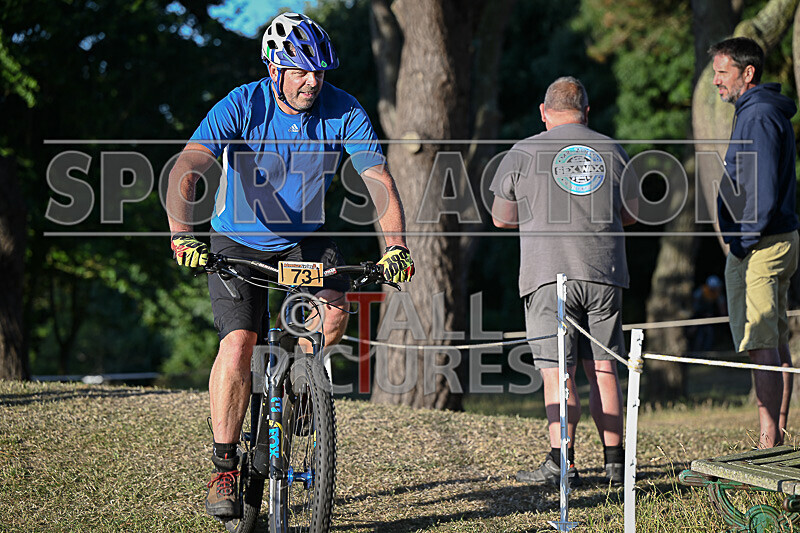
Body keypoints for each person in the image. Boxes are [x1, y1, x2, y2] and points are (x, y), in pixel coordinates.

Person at [165, 13, 414, 517]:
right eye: (300, 71)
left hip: (304, 237)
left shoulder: (344, 109)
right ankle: (224, 466)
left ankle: (298, 384)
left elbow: (378, 180)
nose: (312, 81)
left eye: (318, 71)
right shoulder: (242, 104)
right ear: (273, 69)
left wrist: (396, 247)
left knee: (335, 312)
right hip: (237, 239)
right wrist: (181, 233)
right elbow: (188, 167)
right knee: (239, 344)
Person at [490, 76, 637, 487]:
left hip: (546, 275)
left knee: (558, 372)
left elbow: (501, 218)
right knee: (604, 368)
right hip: (604, 273)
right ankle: (615, 465)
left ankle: (562, 463)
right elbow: (631, 215)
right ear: (586, 112)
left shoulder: (522, 152)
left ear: (544, 111)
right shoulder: (613, 150)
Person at [710, 37, 799, 448]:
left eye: (722, 72)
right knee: (773, 341)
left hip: (761, 244)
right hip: (770, 240)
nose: (716, 81)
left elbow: (759, 187)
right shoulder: (755, 110)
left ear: (747, 73)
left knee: (762, 343)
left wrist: (744, 242)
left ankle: (767, 445)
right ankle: (776, 438)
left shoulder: (759, 114)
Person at [689, 275, 727, 352]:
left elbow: (722, 306)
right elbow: (693, 305)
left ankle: (706, 351)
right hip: (698, 315)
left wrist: (722, 316)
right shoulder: (701, 292)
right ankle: (695, 351)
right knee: (696, 333)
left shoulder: (717, 293)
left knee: (709, 334)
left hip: (708, 315)